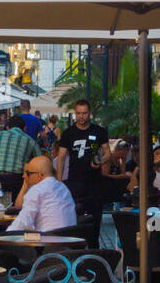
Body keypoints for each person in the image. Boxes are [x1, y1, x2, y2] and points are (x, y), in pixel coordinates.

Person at [56, 99, 109, 245]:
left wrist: (100, 161)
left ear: (89, 113)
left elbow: (108, 153)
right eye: (79, 113)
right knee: (74, 219)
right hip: (75, 182)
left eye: (84, 113)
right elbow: (61, 158)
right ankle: (76, 248)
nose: (81, 116)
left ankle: (95, 249)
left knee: (95, 220)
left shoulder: (99, 131)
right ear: (75, 113)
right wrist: (59, 182)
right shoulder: (68, 133)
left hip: (94, 183)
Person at [7, 155, 77, 234]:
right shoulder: (63, 188)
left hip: (47, 241)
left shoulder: (37, 190)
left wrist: (4, 236)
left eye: (28, 173)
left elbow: (23, 222)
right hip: (69, 240)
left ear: (39, 175)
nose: (24, 176)